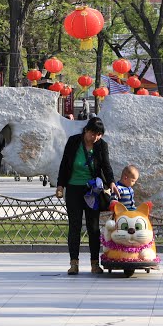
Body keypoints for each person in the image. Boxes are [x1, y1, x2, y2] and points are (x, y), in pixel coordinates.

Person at [55, 116, 117, 275]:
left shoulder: (101, 145)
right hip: (74, 189)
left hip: (92, 191)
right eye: (93, 133)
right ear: (86, 130)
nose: (95, 137)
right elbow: (64, 165)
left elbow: (106, 166)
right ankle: (74, 263)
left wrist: (111, 182)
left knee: (94, 227)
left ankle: (94, 264)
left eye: (99, 135)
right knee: (74, 226)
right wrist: (60, 185)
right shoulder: (73, 141)